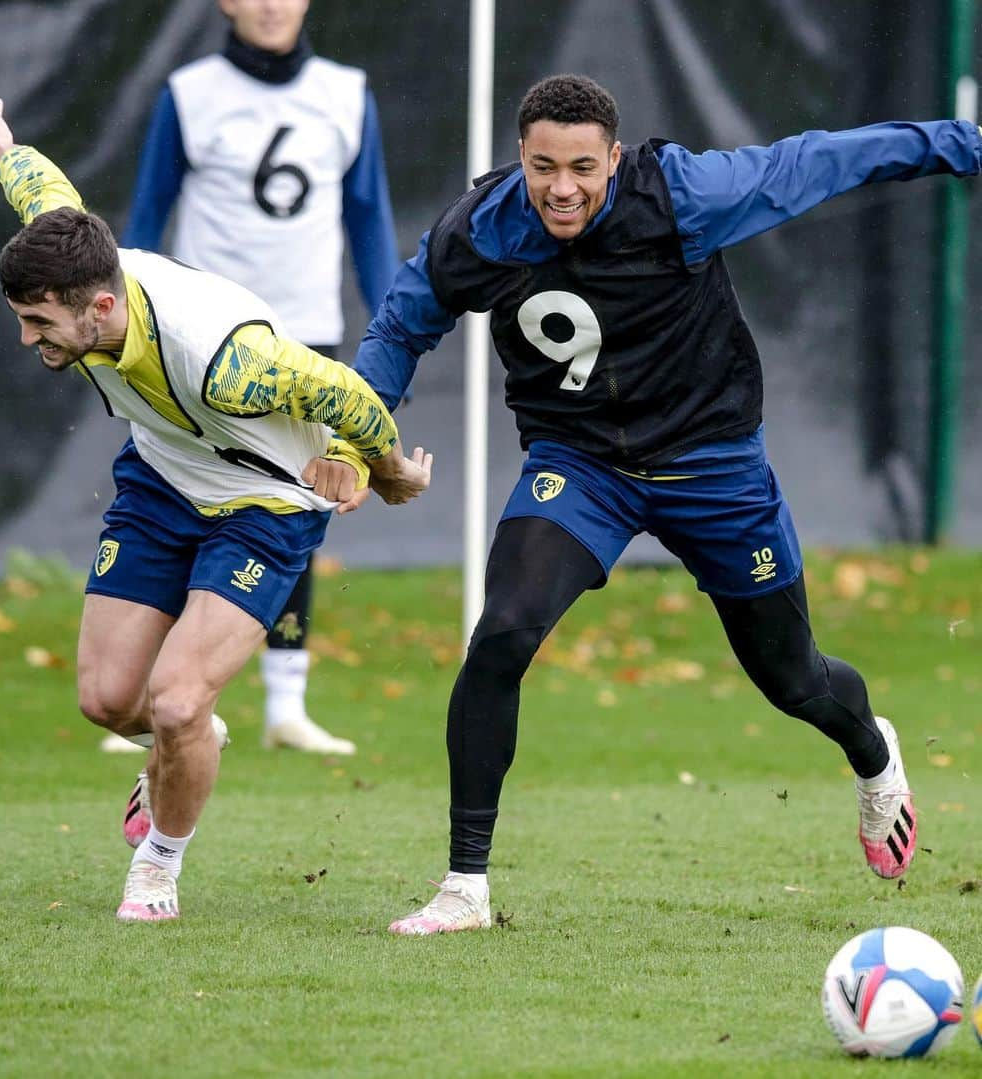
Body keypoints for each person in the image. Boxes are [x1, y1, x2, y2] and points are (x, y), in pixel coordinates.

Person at [355, 74, 982, 935]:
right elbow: (400, 324)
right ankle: (465, 885)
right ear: (521, 160)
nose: (562, 188)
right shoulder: (480, 232)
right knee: (502, 633)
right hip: (582, 468)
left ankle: (874, 755)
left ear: (614, 158)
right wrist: (360, 428)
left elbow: (827, 160)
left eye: (583, 166)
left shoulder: (684, 195)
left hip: (713, 463)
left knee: (793, 679)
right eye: (543, 167)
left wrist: (964, 143)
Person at [0, 95, 431, 922]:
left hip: (264, 505)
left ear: (98, 308)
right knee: (108, 700)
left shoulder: (225, 362)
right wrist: (2, 151)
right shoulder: (79, 268)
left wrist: (373, 463)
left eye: (40, 324)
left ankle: (158, 864)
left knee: (177, 699)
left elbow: (340, 387)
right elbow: (49, 197)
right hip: (161, 480)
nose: (32, 339)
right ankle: (193, 748)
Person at [120, 0, 400, 759]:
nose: (272, 4)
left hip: (304, 337)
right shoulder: (189, 91)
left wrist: (393, 324)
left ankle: (287, 702)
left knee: (294, 503)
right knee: (178, 491)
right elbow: (148, 213)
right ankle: (156, 688)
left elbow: (370, 216)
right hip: (195, 343)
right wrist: (122, 330)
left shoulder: (346, 92)